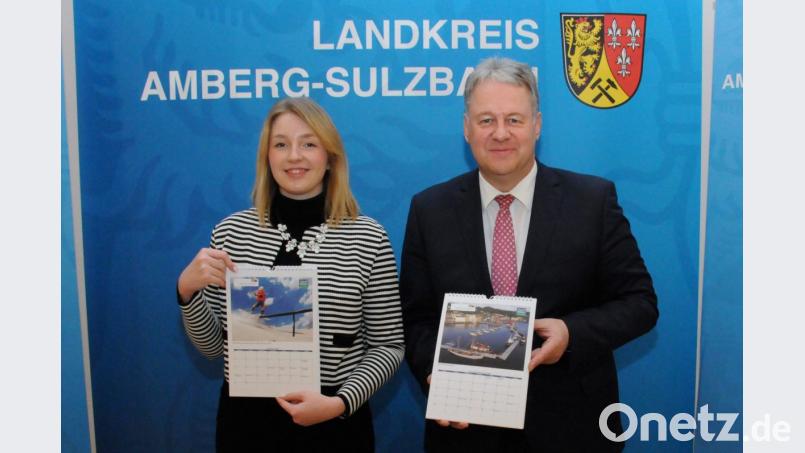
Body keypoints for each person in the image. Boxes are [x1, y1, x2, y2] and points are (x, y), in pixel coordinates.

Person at [400, 57, 658, 452]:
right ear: (467, 129)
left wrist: (571, 334)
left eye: (514, 120)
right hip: (465, 432)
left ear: (536, 125)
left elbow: (640, 304)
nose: (500, 133)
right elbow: (415, 318)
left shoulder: (592, 201)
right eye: (486, 120)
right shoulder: (429, 209)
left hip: (571, 429)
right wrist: (434, 373)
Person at [176, 97, 405, 452]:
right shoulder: (231, 233)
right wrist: (187, 293)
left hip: (336, 425)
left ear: (330, 157)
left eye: (308, 144)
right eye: (281, 144)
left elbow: (388, 346)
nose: (294, 156)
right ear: (267, 157)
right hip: (247, 427)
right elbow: (210, 349)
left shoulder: (368, 237)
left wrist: (341, 403)